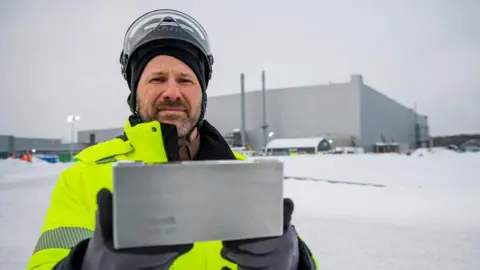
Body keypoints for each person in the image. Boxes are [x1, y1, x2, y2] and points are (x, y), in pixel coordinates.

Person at [27, 9, 319, 270]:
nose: (172, 92)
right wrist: (86, 264)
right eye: (156, 79)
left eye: (185, 80)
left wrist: (296, 262)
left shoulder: (243, 175)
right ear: (134, 92)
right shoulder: (84, 175)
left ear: (202, 93)